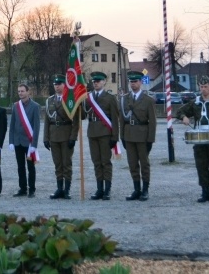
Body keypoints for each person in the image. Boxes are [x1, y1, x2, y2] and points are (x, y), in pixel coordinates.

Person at [120, 71, 157, 201]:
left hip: (142, 135)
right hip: (129, 135)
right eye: (131, 82)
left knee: (144, 164)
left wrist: (150, 139)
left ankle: (145, 190)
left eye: (135, 81)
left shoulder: (148, 100)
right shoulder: (125, 99)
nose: (133, 84)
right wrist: (122, 136)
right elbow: (122, 119)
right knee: (132, 164)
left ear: (141, 82)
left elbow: (152, 122)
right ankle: (136, 189)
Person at [84, 72, 120, 200]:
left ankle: (107, 190)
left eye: (98, 81)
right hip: (92, 132)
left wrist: (115, 136)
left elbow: (115, 118)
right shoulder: (88, 97)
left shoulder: (110, 98)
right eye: (94, 81)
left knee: (105, 162)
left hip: (105, 133)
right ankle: (99, 189)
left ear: (104, 82)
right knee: (96, 162)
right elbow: (83, 114)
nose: (96, 83)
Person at [43, 75, 80, 200]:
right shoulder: (49, 100)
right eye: (55, 84)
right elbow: (47, 121)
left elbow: (76, 121)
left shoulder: (70, 100)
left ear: (65, 85)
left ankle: (67, 190)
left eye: (59, 84)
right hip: (54, 135)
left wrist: (73, 137)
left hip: (66, 134)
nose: (57, 86)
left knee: (66, 164)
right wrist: (46, 138)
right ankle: (59, 188)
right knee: (57, 164)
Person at [8, 83, 41, 198]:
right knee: (20, 166)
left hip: (29, 142)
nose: (20, 93)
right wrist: (11, 141)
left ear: (28, 92)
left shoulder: (35, 106)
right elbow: (12, 125)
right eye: (19, 91)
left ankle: (32, 189)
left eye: (22, 91)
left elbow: (36, 126)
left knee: (31, 167)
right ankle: (22, 188)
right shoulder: (16, 106)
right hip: (18, 141)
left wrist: (34, 144)